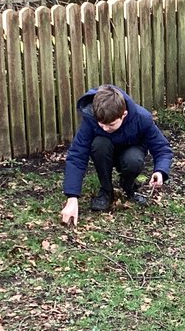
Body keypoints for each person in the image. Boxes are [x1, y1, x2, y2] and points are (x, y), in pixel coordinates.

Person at [60, 84, 173, 226]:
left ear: (123, 114)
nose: (105, 128)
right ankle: (106, 191)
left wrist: (160, 171)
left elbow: (162, 148)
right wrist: (72, 197)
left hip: (130, 154)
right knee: (99, 143)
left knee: (133, 160)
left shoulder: (142, 118)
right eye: (101, 124)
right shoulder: (91, 119)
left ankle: (128, 186)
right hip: (104, 154)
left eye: (111, 124)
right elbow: (77, 155)